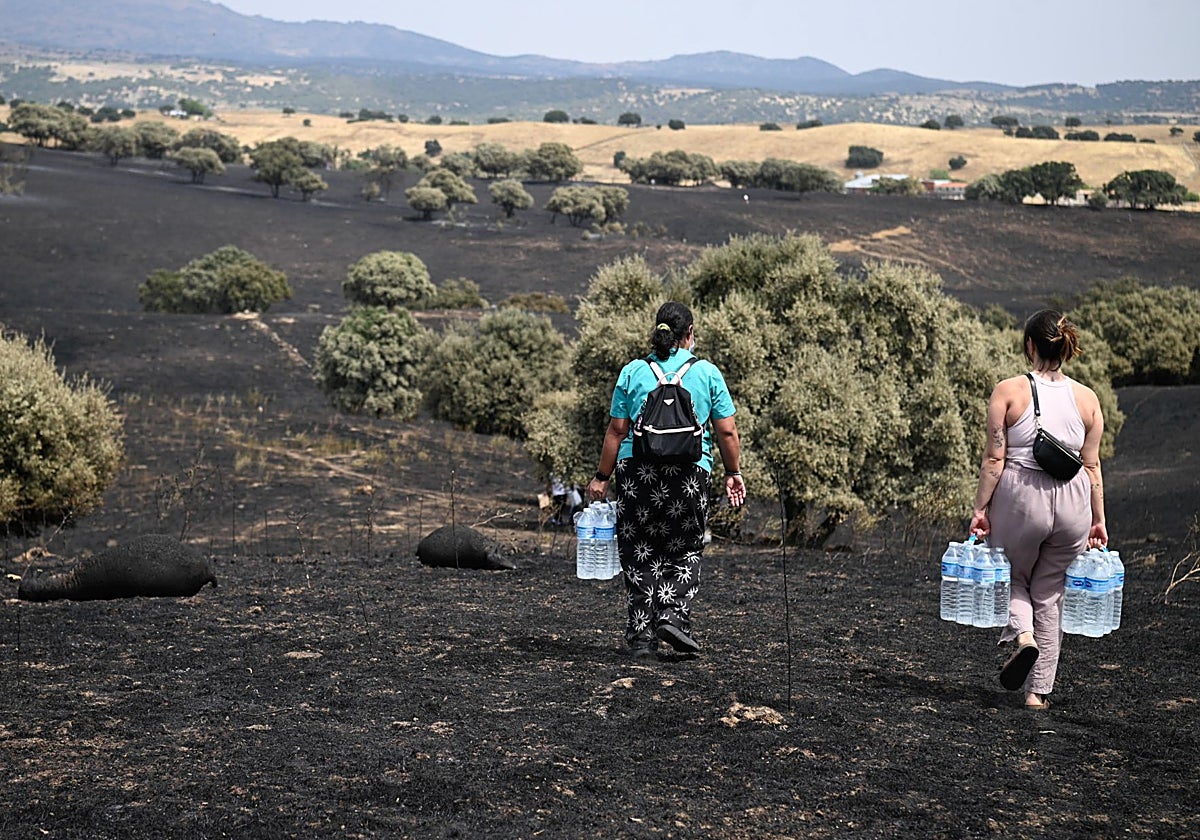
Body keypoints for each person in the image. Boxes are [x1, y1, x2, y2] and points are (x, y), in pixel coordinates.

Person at [587, 302, 746, 658]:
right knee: (685, 548)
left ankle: (642, 636)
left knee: (639, 551)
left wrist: (601, 477)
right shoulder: (707, 373)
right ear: (689, 333)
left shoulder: (633, 371)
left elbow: (616, 431)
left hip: (636, 474)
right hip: (689, 475)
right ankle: (673, 616)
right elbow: (728, 432)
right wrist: (732, 473)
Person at [969, 310, 1108, 710]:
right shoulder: (1088, 398)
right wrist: (1098, 520)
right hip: (1074, 503)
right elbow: (1093, 465)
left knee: (1009, 576)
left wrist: (981, 508)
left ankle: (1023, 637)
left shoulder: (1008, 390)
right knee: (1050, 593)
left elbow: (995, 459)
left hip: (1021, 496)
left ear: (1030, 345)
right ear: (1064, 347)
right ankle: (1037, 694)